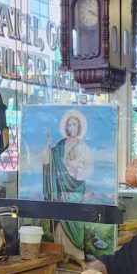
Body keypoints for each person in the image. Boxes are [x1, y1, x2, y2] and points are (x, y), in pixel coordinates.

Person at [42, 109, 94, 258]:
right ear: (65, 127)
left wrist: (76, 170)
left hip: (76, 188)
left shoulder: (84, 148)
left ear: (79, 128)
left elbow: (89, 168)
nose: (72, 128)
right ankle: (62, 254)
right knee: (61, 220)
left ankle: (76, 253)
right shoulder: (60, 146)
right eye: (69, 125)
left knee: (75, 221)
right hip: (61, 189)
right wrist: (47, 148)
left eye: (75, 125)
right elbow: (49, 161)